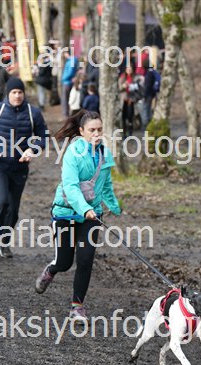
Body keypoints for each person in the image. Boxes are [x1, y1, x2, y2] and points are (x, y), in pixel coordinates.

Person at [35, 110, 121, 322]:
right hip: (65, 213)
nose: (96, 134)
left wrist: (114, 206)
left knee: (85, 259)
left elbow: (106, 184)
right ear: (82, 131)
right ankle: (51, 270)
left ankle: (77, 307)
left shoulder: (104, 154)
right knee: (64, 262)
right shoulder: (72, 153)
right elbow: (71, 187)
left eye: (99, 130)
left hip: (91, 216)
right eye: (92, 130)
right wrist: (84, 209)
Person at [0, 78, 48, 257]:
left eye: (20, 92)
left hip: (20, 167)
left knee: (13, 209)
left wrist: (32, 149)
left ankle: (4, 242)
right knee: (2, 200)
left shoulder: (33, 113)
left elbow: (43, 136)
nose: (17, 96)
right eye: (14, 92)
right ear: (8, 93)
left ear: (24, 93)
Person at [118, 66, 144, 137]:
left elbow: (139, 87)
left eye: (130, 69)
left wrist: (132, 86)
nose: (129, 71)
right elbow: (119, 88)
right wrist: (123, 86)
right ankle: (124, 132)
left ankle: (130, 131)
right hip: (124, 100)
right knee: (123, 117)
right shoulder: (122, 77)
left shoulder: (135, 78)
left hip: (131, 99)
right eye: (128, 69)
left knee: (130, 116)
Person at [60, 49, 79, 117]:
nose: (64, 55)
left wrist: (63, 78)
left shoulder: (71, 61)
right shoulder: (72, 60)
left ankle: (66, 115)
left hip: (67, 82)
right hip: (68, 81)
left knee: (65, 99)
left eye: (65, 53)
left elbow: (70, 72)